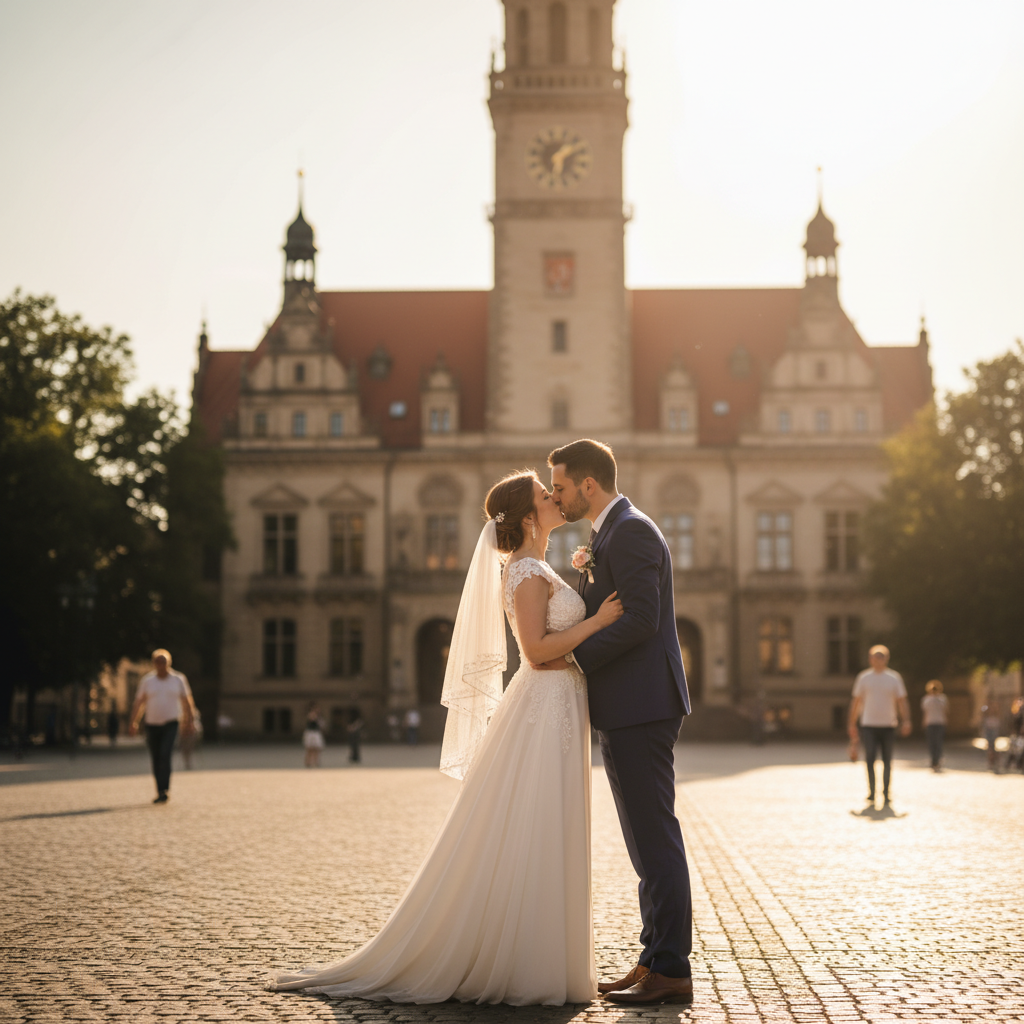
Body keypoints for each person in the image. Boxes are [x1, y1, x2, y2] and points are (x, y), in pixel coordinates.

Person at [268, 469, 623, 1005]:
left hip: (557, 707)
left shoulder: (534, 566)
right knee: (539, 820)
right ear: (529, 517)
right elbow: (534, 650)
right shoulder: (526, 570)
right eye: (545, 494)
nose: (556, 497)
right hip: (545, 703)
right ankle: (528, 962)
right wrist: (597, 623)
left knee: (546, 822)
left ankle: (544, 956)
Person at [547, 439, 693, 1006]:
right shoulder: (611, 532)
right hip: (630, 704)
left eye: (559, 485)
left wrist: (575, 660)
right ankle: (654, 956)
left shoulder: (629, 531)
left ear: (588, 484)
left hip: (642, 705)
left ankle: (672, 968)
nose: (556, 496)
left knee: (655, 839)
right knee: (644, 840)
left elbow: (640, 619)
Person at [128, 650, 196, 804]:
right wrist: (133, 722)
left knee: (165, 754)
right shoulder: (148, 681)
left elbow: (187, 702)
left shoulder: (178, 679)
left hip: (171, 723)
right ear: (154, 664)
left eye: (163, 661)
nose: (161, 665)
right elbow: (139, 703)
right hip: (151, 725)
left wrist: (189, 721)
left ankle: (165, 790)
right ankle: (159, 789)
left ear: (169, 663)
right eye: (158, 662)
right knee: (156, 757)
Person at [848, 645, 910, 806]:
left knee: (887, 760)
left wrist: (907, 720)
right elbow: (856, 702)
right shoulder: (864, 678)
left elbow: (902, 701)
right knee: (869, 759)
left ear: (886, 658)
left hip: (888, 725)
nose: (878, 659)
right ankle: (872, 791)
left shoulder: (894, 678)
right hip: (868, 724)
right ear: (870, 659)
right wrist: (852, 723)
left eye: (881, 656)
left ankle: (886, 792)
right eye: (875, 656)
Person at [921, 680, 948, 771]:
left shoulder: (942, 698)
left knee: (938, 742)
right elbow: (925, 711)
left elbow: (945, 709)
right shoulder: (927, 699)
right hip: (930, 722)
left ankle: (938, 759)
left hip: (940, 722)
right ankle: (933, 760)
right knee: (931, 743)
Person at [981, 699, 1002, 771]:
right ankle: (991, 762)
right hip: (989, 730)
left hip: (993, 730)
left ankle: (994, 762)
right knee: (990, 747)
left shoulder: (995, 711)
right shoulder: (985, 710)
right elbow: (983, 721)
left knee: (992, 747)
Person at [303, 704, 324, 768]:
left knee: (316, 749)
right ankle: (308, 762)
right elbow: (312, 719)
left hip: (316, 733)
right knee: (310, 749)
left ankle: (316, 762)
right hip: (310, 733)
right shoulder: (311, 715)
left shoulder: (319, 716)